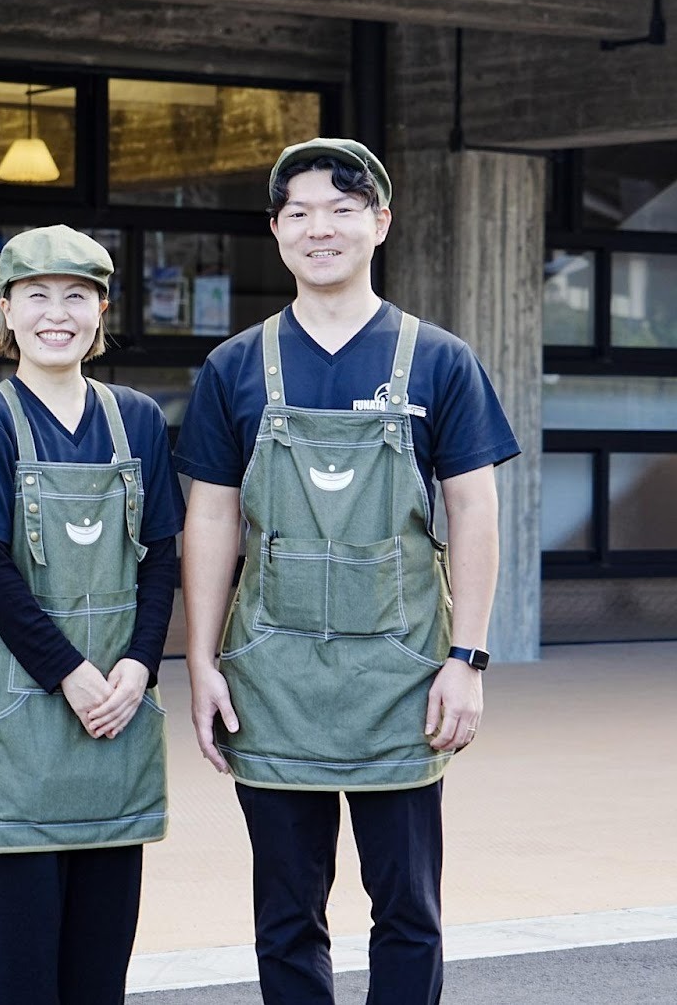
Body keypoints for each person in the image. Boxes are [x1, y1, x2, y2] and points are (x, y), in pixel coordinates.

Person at [175, 138, 520, 1004]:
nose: (319, 228)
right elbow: (211, 517)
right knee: (286, 911)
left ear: (381, 224)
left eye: (342, 209)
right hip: (272, 674)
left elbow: (474, 512)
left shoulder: (440, 360)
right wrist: (202, 662)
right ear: (276, 230)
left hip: (402, 672)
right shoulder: (234, 366)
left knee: (408, 907)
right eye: (299, 212)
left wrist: (467, 660)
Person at [0, 225, 185, 1005]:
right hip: (17, 718)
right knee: (22, 966)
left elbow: (159, 556)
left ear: (102, 310)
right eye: (36, 297)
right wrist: (73, 676)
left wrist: (138, 666)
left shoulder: (135, 419)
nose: (56, 314)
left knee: (102, 965)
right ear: (6, 310)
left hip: (119, 709)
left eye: (77, 296)